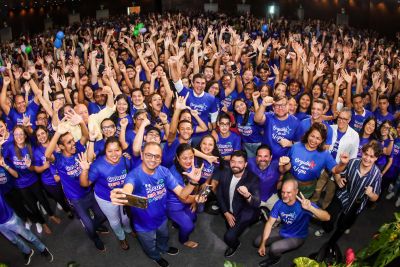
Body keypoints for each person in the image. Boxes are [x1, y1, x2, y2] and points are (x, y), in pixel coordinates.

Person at [110, 142, 203, 267]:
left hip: (162, 217)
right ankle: (155, 256)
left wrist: (192, 182)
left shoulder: (164, 171)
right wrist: (122, 194)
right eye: (149, 155)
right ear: (142, 155)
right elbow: (127, 189)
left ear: (161, 158)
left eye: (157, 156)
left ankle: (164, 248)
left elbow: (181, 194)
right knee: (149, 244)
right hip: (144, 224)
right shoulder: (134, 176)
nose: (153, 160)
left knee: (164, 237)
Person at [45, 113, 109, 251]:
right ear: (61, 147)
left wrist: (81, 122)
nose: (73, 143)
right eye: (69, 142)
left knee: (102, 216)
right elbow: (47, 155)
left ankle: (95, 225)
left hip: (89, 191)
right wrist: (57, 133)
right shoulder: (58, 159)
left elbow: (85, 136)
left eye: (72, 140)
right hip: (76, 199)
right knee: (89, 226)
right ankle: (94, 237)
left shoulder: (78, 149)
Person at [315, 141, 382, 240]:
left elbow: (375, 198)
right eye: (366, 154)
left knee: (344, 224)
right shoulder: (352, 162)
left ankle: (340, 232)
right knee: (330, 214)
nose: (367, 158)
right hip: (343, 195)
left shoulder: (377, 175)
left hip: (356, 204)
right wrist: (338, 179)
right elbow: (337, 171)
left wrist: (371, 194)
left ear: (376, 158)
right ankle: (326, 228)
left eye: (371, 156)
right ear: (362, 153)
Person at [255, 179, 330, 267]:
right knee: (257, 242)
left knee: (274, 248)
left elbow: (327, 217)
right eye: (283, 192)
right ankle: (275, 243)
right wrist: (263, 243)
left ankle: (275, 258)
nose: (285, 195)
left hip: (297, 237)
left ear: (296, 191)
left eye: (288, 192)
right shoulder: (279, 203)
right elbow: (269, 223)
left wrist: (310, 208)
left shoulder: (304, 204)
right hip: (283, 230)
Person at [78, 137, 133, 250]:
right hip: (106, 199)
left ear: (121, 150)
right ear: (105, 151)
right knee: (115, 221)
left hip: (123, 196)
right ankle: (121, 237)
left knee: (126, 218)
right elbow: (85, 184)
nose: (114, 154)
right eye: (110, 151)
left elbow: (131, 177)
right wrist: (84, 170)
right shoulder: (98, 165)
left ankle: (129, 230)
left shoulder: (126, 160)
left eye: (117, 150)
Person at [280, 122, 350, 199]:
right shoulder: (296, 146)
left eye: (318, 138)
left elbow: (335, 170)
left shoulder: (325, 154)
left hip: (306, 189)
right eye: (312, 136)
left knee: (299, 208)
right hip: (289, 182)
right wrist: (283, 166)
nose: (313, 140)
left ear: (322, 140)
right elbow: (285, 166)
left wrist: (342, 163)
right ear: (308, 135)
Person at [311, 108, 359, 207]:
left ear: (349, 120)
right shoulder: (330, 128)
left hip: (338, 169)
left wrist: (343, 173)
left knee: (329, 193)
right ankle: (311, 207)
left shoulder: (354, 135)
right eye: (340, 117)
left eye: (344, 119)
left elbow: (353, 157)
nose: (341, 120)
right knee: (317, 188)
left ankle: (323, 211)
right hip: (324, 166)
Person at [216, 150, 261, 257]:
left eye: (240, 162)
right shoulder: (225, 172)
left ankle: (235, 245)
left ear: (245, 164)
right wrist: (226, 212)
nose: (235, 165)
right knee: (229, 227)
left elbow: (256, 203)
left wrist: (248, 196)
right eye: (233, 161)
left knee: (229, 237)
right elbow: (219, 194)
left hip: (245, 213)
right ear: (230, 162)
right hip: (229, 209)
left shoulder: (253, 179)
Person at [167, 143, 207, 248]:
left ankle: (176, 224)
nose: (189, 161)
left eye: (191, 157)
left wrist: (194, 201)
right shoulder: (172, 174)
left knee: (193, 218)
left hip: (187, 201)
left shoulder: (192, 167)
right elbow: (183, 198)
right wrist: (196, 199)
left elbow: (195, 186)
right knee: (189, 227)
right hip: (174, 206)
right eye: (184, 158)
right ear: (177, 158)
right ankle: (183, 241)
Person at [0, 192, 54, 265]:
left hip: (10, 219)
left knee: (28, 236)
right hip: (1, 226)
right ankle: (27, 252)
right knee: (14, 240)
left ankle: (43, 249)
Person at [254, 94, 300, 159]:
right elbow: (257, 119)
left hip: (283, 161)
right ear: (273, 107)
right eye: (277, 105)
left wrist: (290, 143)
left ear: (287, 106)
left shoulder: (296, 122)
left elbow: (301, 143)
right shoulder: (269, 116)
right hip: (266, 159)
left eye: (283, 105)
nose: (280, 108)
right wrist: (263, 105)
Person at [247, 144, 281, 216]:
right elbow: (238, 163)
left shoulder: (276, 164)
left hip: (271, 196)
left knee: (279, 217)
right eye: (260, 156)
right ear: (256, 157)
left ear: (270, 157)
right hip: (255, 196)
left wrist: (287, 163)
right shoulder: (250, 162)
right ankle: (260, 212)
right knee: (249, 216)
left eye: (266, 156)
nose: (262, 159)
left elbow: (286, 168)